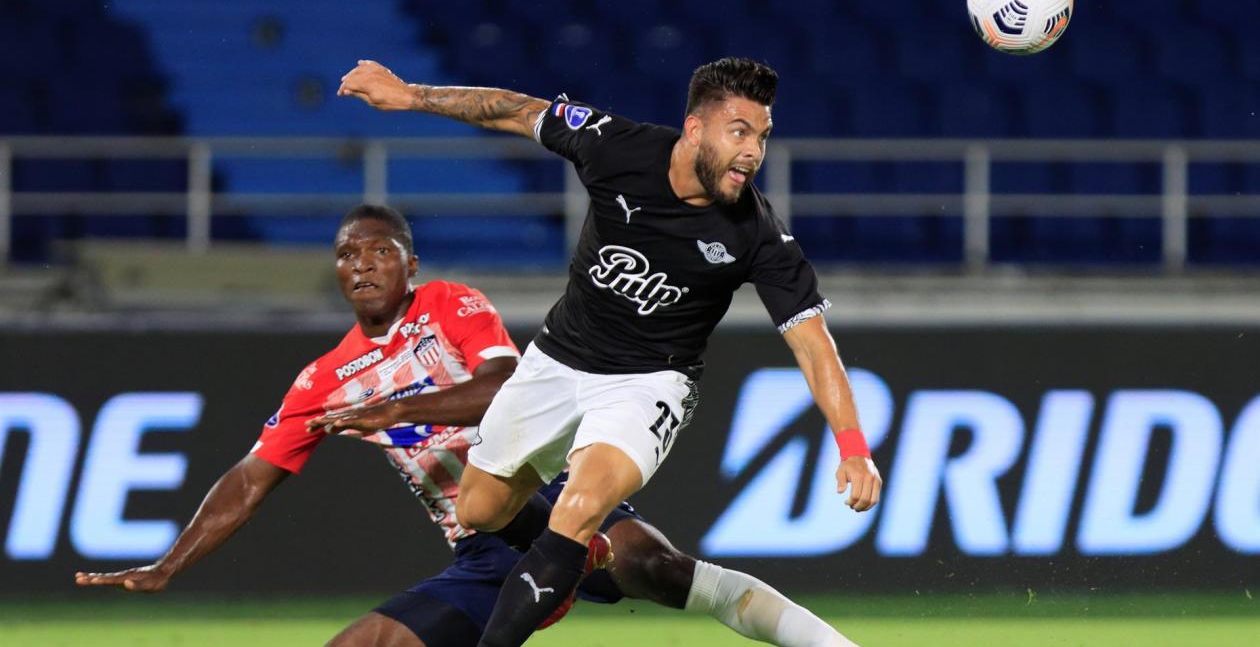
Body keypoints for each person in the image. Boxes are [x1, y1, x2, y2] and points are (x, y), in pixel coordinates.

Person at [75, 204, 861, 647]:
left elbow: (499, 386)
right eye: (347, 255)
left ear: (409, 264)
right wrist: (169, 563)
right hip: (480, 546)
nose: (361, 264)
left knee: (658, 568)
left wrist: (398, 409)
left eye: (378, 250)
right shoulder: (322, 380)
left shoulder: (450, 305)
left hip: (548, 492)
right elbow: (252, 477)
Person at [337, 58, 884, 647]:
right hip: (557, 358)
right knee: (479, 510)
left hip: (649, 382)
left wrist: (854, 449)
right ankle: (583, 554)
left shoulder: (758, 236)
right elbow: (517, 110)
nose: (753, 152)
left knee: (578, 505)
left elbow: (814, 346)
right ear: (695, 130)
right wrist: (411, 95)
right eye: (740, 131)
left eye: (763, 136)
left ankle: (566, 553)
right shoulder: (616, 147)